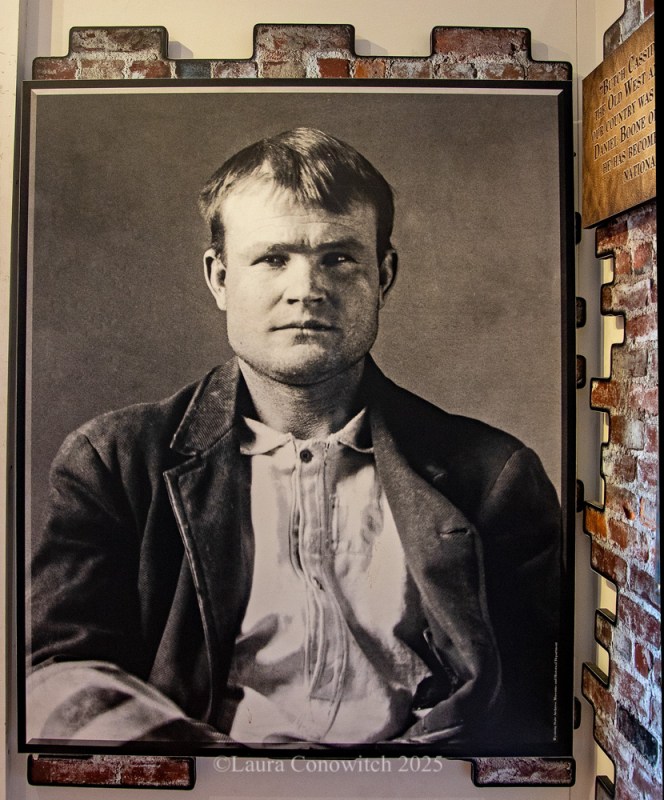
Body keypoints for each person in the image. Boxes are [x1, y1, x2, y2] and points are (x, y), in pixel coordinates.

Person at [27, 127, 562, 755]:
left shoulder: (495, 475)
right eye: (273, 258)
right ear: (219, 278)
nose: (306, 289)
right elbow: (56, 678)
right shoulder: (113, 462)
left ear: (383, 276)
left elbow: (538, 699)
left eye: (339, 257)